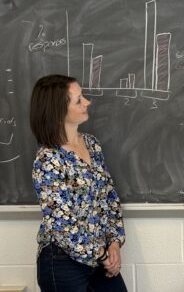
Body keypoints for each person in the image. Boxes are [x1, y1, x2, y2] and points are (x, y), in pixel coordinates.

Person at [30, 74, 127, 292]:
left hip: (100, 256)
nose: (87, 102)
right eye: (79, 100)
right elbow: (61, 224)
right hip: (63, 262)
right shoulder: (48, 159)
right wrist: (102, 254)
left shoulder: (92, 144)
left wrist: (114, 244)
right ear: (58, 112)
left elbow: (109, 198)